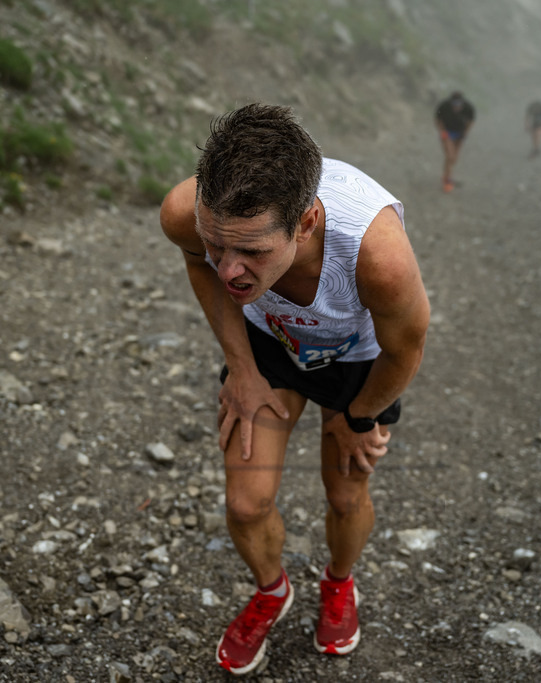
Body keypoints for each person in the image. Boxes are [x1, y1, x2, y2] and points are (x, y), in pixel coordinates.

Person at [160, 103, 430, 675]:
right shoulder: (185, 214)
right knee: (245, 503)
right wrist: (241, 368)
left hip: (355, 362)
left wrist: (358, 416)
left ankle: (339, 583)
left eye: (253, 252)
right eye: (217, 243)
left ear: (306, 223)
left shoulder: (377, 255)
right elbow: (197, 263)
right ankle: (272, 590)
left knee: (345, 494)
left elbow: (405, 351)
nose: (229, 270)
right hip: (268, 346)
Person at [433, 91, 475, 193]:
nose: (456, 107)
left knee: (454, 158)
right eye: (454, 104)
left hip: (459, 134)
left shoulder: (468, 108)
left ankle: (446, 175)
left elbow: (471, 120)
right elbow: (438, 119)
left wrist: (465, 132)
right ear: (451, 103)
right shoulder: (445, 106)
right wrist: (442, 131)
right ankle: (447, 180)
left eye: (458, 104)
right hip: (447, 133)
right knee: (450, 156)